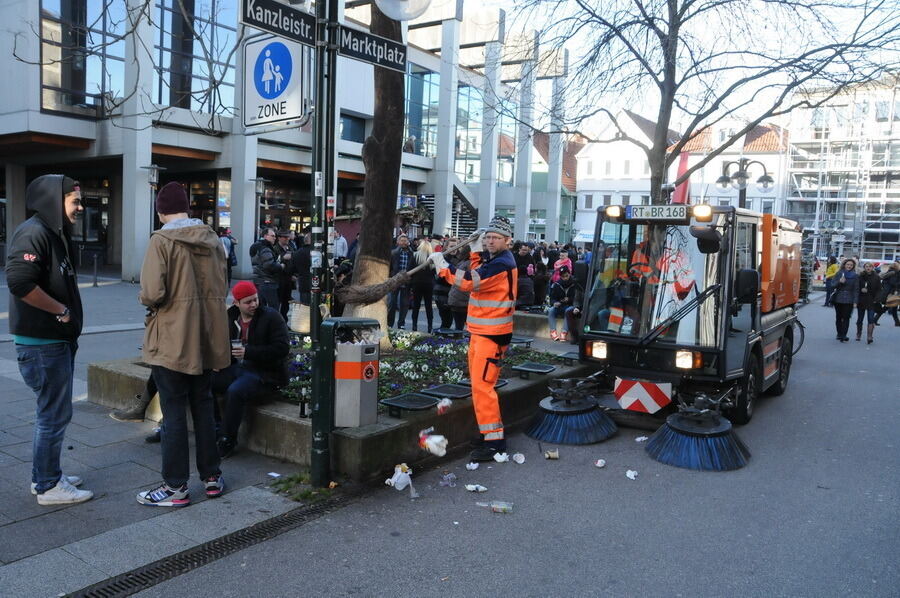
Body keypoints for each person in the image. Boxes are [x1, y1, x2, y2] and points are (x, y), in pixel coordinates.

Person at [136, 181, 229, 507]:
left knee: (173, 413)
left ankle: (175, 488)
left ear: (161, 211)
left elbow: (151, 293)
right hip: (206, 338)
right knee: (203, 407)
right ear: (187, 209)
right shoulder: (213, 240)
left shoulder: (161, 240)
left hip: (174, 339)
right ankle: (212, 476)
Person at [6, 175, 93, 505]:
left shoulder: (52, 233)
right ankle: (48, 486)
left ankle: (45, 475)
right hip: (44, 344)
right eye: (75, 201)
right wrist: (61, 311)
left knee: (53, 414)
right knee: (53, 416)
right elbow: (19, 282)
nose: (80, 207)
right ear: (54, 201)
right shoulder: (34, 233)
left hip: (52, 343)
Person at [429, 216, 517, 462]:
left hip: (492, 335)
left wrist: (443, 266)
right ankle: (489, 436)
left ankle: (495, 443)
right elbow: (479, 271)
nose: (490, 241)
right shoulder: (497, 259)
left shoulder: (502, 264)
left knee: (483, 388)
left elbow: (470, 281)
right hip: (484, 332)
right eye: (487, 237)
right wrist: (477, 252)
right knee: (480, 387)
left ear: (507, 241)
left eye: (495, 238)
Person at [215, 282, 290, 458]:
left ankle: (227, 440)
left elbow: (282, 348)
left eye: (255, 299)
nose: (254, 304)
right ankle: (216, 430)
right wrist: (217, 361)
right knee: (206, 382)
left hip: (265, 374)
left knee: (236, 390)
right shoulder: (231, 317)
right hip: (238, 368)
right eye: (248, 302)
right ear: (237, 303)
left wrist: (249, 352)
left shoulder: (271, 317)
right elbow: (222, 343)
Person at [547, 266, 584, 342]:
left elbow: (578, 298)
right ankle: (553, 331)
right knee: (551, 310)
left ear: (569, 274)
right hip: (560, 306)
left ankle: (564, 332)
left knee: (568, 311)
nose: (565, 278)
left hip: (570, 306)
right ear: (560, 277)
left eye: (567, 276)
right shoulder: (557, 285)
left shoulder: (575, 284)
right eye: (563, 276)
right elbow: (552, 298)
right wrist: (554, 303)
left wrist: (569, 299)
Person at [250, 227, 283, 311]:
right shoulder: (265, 248)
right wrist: (281, 266)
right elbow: (269, 265)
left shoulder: (256, 246)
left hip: (259, 281)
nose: (275, 238)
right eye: (272, 236)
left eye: (275, 236)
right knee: (273, 308)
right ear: (265, 236)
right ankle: (272, 324)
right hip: (268, 281)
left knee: (261, 308)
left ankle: (262, 324)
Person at [388, 234, 414, 329]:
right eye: (401, 240)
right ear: (398, 242)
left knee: (404, 304)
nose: (403, 242)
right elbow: (389, 267)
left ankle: (401, 323)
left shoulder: (411, 253)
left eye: (405, 241)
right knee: (392, 303)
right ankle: (389, 323)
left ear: (408, 242)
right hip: (395, 281)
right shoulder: (393, 253)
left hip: (406, 281)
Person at [831, 258, 858, 343]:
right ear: (844, 265)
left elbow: (856, 289)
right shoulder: (839, 273)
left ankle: (844, 335)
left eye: (851, 265)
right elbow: (832, 285)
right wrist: (839, 282)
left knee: (846, 317)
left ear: (853, 266)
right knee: (838, 317)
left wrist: (855, 301)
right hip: (838, 298)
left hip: (849, 299)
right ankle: (839, 333)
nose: (849, 266)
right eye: (847, 264)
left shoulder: (855, 276)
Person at [410, 240, 434, 332]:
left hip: (417, 283)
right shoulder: (432, 257)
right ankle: (430, 326)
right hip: (429, 284)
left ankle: (414, 326)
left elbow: (410, 269)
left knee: (416, 305)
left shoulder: (415, 255)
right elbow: (434, 272)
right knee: (429, 306)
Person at [433, 237, 457, 329]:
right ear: (446, 247)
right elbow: (441, 276)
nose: (454, 248)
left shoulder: (456, 259)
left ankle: (440, 338)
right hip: (442, 293)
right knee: (447, 320)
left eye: (455, 246)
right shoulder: (443, 259)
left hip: (450, 293)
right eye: (451, 246)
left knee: (448, 320)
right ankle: (438, 339)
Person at [855, 261, 881, 343]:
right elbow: (856, 288)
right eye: (866, 266)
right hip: (861, 300)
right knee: (860, 319)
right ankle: (858, 333)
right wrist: (861, 289)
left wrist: (876, 299)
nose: (868, 268)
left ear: (872, 268)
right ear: (864, 267)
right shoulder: (860, 276)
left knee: (870, 319)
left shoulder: (876, 277)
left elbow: (879, 290)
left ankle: (869, 336)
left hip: (871, 301)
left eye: (870, 266)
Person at [275, 230, 294, 321]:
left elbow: (293, 261)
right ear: (279, 238)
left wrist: (294, 274)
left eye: (288, 237)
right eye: (285, 237)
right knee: (277, 301)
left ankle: (283, 320)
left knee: (286, 302)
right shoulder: (275, 248)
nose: (287, 239)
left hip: (288, 279)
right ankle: (277, 321)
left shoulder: (290, 247)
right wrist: (283, 258)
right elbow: (273, 264)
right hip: (279, 279)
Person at [873, 261, 900, 326]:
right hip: (892, 293)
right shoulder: (894, 273)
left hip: (889, 293)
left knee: (893, 308)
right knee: (888, 307)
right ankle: (874, 319)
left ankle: (897, 322)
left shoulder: (889, 272)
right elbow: (893, 283)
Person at [513, 242, 535, 308]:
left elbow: (532, 266)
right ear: (519, 249)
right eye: (523, 250)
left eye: (526, 250)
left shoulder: (529, 257)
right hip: (515, 277)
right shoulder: (514, 256)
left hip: (526, 278)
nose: (525, 252)